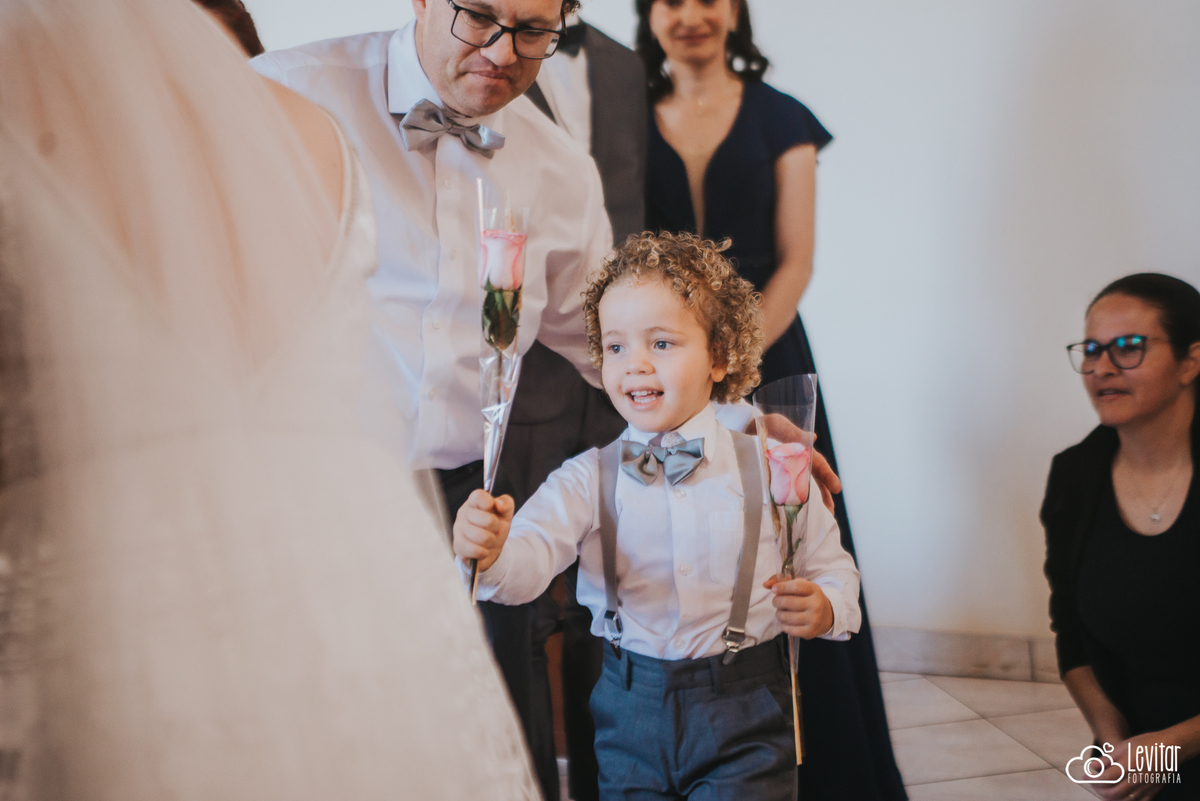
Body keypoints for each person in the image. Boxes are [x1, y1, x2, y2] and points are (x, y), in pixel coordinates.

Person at [0, 0, 540, 797]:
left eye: (532, 27)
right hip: (360, 588)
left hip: (130, 608)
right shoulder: (306, 111)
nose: (500, 44)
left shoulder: (24, 99)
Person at [250, 2, 611, 796]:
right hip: (313, 511)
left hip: (467, 513)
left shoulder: (561, 171)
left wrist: (736, 416)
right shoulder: (287, 96)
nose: (502, 50)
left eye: (533, 32)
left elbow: (611, 343)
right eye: (479, 15)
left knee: (483, 759)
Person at [453, 232, 863, 801]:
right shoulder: (587, 478)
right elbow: (524, 565)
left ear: (720, 356)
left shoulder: (773, 467)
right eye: (616, 347)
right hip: (628, 715)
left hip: (746, 709)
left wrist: (826, 606)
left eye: (662, 343)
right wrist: (491, 551)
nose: (635, 364)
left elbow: (835, 571)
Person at [636, 2, 905, 799]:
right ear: (648, 16)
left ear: (736, 12)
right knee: (680, 546)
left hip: (764, 351)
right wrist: (675, 360)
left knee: (793, 539)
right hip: (659, 365)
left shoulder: (783, 117)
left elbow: (796, 262)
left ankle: (826, 767)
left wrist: (731, 363)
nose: (693, 14)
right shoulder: (621, 117)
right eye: (670, 0)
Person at [514, 15, 647, 800]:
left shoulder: (629, 67)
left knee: (610, 601)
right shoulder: (482, 52)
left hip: (618, 382)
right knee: (528, 605)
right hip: (528, 374)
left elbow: (633, 204)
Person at [1043, 273, 1200, 801]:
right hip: (1143, 749)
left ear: (1191, 361)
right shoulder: (1074, 476)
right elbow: (1072, 633)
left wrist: (1171, 746)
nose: (1102, 368)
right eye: (1092, 350)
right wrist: (1115, 744)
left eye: (1128, 347)